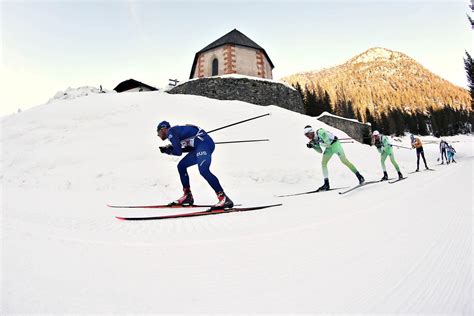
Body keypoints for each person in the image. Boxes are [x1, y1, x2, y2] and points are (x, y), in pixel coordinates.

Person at [157, 121, 233, 210]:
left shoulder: (171, 132)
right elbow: (188, 148)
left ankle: (223, 198)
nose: (158, 135)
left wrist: (167, 150)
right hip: (200, 146)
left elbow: (178, 152)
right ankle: (187, 196)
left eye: (158, 132)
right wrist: (171, 148)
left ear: (163, 129)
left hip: (204, 144)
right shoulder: (175, 132)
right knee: (181, 166)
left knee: (204, 171)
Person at [304, 125, 365, 191]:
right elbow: (320, 151)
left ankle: (360, 176)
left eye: (307, 134)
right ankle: (326, 184)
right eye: (306, 135)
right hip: (329, 148)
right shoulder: (314, 139)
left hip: (335, 145)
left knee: (344, 161)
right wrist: (313, 146)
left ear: (311, 132)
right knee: (323, 163)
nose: (307, 136)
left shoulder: (320, 132)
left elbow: (327, 142)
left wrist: (317, 141)